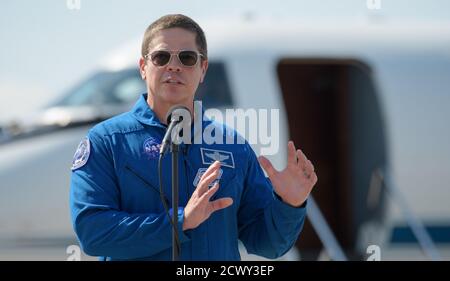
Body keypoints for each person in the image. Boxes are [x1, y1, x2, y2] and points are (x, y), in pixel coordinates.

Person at [70, 14, 317, 261]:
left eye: (187, 58)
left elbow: (267, 245)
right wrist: (181, 221)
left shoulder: (233, 145)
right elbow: (93, 233)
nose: (174, 66)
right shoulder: (107, 142)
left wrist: (289, 205)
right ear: (144, 67)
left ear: (203, 69)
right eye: (161, 57)